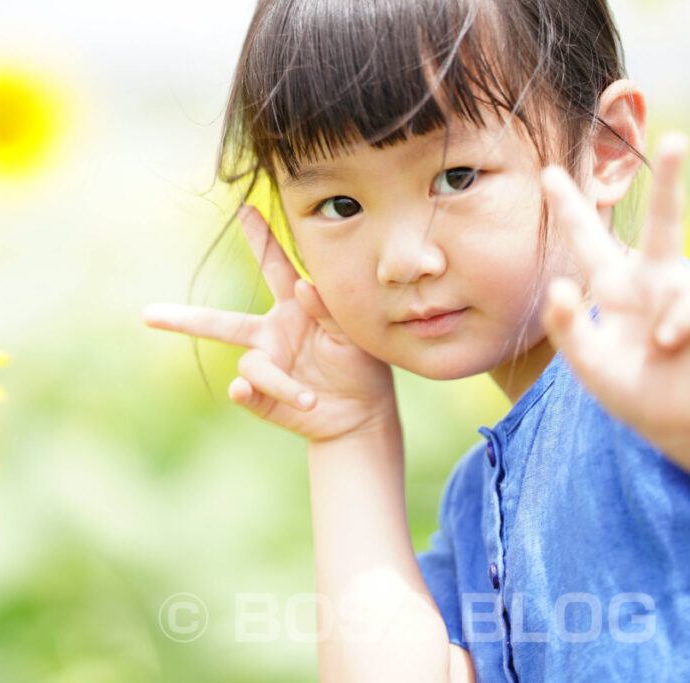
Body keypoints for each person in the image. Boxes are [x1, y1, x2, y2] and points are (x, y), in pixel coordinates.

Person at [142, 0, 690, 680]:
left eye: (455, 177)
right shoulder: (475, 510)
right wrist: (349, 435)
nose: (401, 258)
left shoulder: (668, 354)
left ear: (606, 146)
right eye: (339, 206)